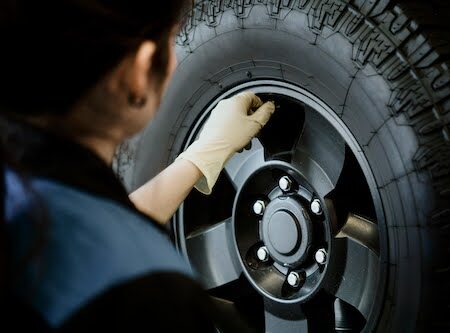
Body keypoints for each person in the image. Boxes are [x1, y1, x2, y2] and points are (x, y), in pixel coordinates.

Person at [0, 1, 275, 332]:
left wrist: (200, 157)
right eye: (172, 41)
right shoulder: (149, 298)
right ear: (139, 71)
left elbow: (79, 229)